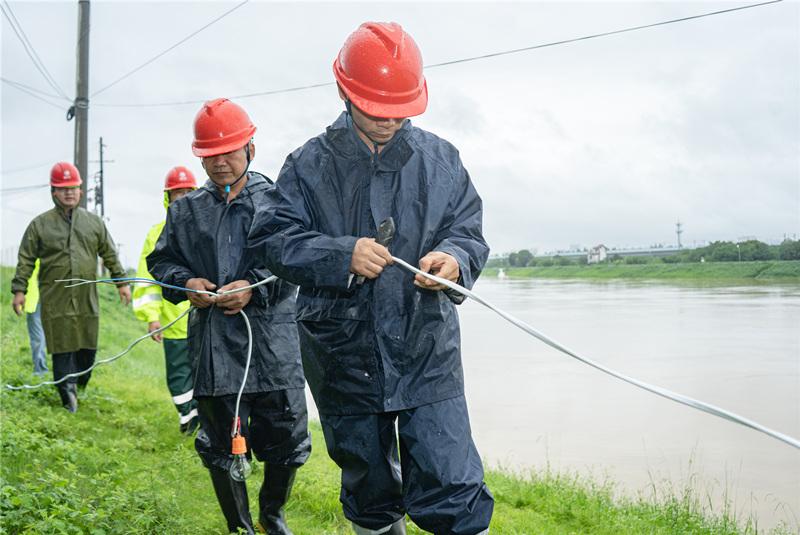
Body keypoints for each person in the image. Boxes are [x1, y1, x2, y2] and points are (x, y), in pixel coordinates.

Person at [249, 21, 493, 535]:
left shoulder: (442, 160)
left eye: (401, 110)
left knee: (453, 481)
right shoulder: (306, 165)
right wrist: (340, 254)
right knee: (369, 483)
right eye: (376, 109)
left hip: (426, 348)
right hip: (342, 354)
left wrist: (454, 259)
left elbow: (467, 230)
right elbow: (272, 240)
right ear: (344, 91)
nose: (389, 120)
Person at [146, 98, 311, 535]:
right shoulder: (185, 210)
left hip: (273, 343)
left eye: (229, 153)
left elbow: (294, 259)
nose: (219, 163)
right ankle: (239, 526)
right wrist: (187, 284)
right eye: (209, 156)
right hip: (215, 348)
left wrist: (253, 286)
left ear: (251, 150)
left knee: (286, 439)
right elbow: (161, 263)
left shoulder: (280, 201)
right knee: (220, 444)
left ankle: (272, 513)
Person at [11, 162, 131, 413]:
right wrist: (19, 291)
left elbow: (109, 254)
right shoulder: (40, 225)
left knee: (88, 346)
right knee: (62, 345)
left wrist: (121, 283)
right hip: (56, 296)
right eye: (63, 189)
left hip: (87, 296)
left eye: (74, 188)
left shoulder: (93, 223)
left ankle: (78, 382)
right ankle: (67, 394)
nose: (69, 193)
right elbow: (25, 259)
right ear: (54, 191)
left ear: (80, 190)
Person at [133, 166, 199, 434]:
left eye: (187, 193)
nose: (182, 198)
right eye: (177, 194)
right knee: (179, 375)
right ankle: (188, 417)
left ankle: (206, 420)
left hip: (206, 320)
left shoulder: (208, 227)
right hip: (172, 322)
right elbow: (146, 279)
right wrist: (152, 316)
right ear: (168, 198)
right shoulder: (156, 234)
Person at [25, 260, 48, 376]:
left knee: (37, 336)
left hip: (36, 299)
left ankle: (40, 371)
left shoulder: (32, 254)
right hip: (38, 299)